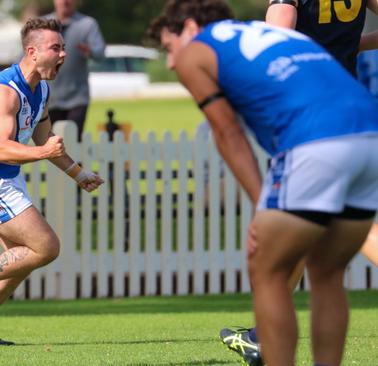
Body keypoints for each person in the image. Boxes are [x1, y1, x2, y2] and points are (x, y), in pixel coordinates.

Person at [148, 0, 378, 365]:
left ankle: (264, 347)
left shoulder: (201, 51)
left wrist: (261, 203)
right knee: (327, 267)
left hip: (315, 135)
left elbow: (229, 135)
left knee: (267, 263)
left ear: (190, 27)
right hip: (365, 122)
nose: (172, 62)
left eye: (169, 47)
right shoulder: (266, 36)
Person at [220, 1, 378, 363]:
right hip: (350, 106)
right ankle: (262, 336)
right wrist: (351, 44)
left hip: (308, 116)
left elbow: (278, 37)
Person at [0, 18, 104, 346]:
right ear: (32, 52)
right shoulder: (3, 92)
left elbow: (47, 141)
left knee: (16, 262)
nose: (64, 54)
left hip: (6, 179)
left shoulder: (42, 89)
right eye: (56, 48)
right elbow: (2, 149)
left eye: (63, 47)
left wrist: (79, 173)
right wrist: (43, 151)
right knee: (46, 247)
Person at [43, 0, 105, 139]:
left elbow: (100, 52)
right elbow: (25, 54)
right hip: (48, 98)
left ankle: (75, 162)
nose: (65, 1)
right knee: (51, 144)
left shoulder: (87, 24)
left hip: (77, 98)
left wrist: (90, 51)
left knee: (73, 143)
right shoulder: (42, 24)